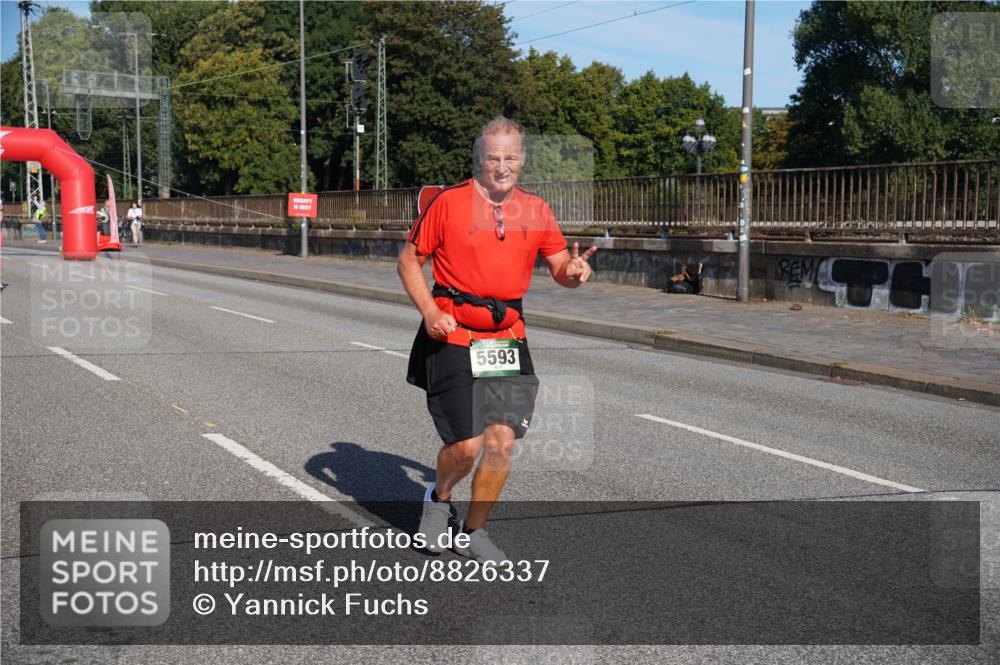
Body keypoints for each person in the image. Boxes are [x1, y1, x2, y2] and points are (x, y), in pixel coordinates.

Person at [398, 117, 597, 563]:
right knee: (466, 446)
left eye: (510, 157)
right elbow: (409, 262)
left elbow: (562, 269)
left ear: (522, 160)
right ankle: (438, 497)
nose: (502, 166)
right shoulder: (449, 204)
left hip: (506, 337)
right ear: (480, 160)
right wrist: (430, 312)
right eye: (493, 158)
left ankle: (474, 532)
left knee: (501, 441)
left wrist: (576, 272)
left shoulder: (537, 210)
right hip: (453, 336)